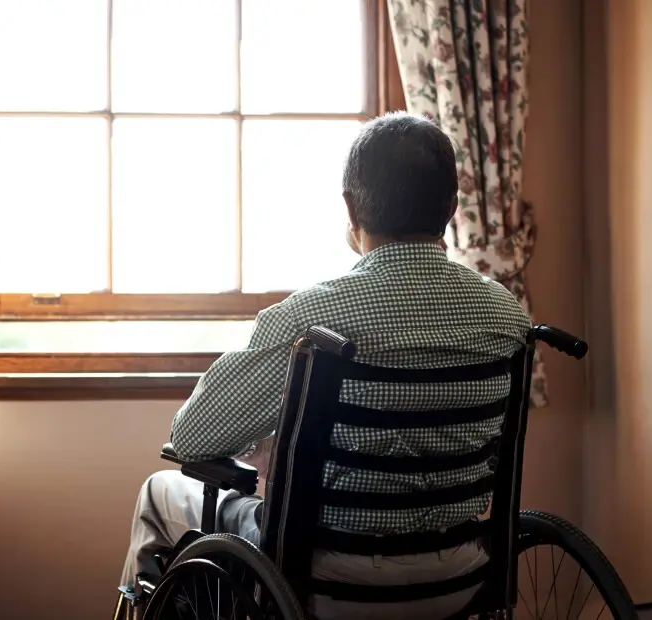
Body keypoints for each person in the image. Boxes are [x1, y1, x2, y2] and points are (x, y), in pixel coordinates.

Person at [119, 112, 531, 619]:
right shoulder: (505, 314)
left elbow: (192, 439)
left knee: (160, 491)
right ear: (451, 205)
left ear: (351, 206)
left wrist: (267, 442)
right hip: (462, 576)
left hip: (325, 586)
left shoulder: (310, 319)